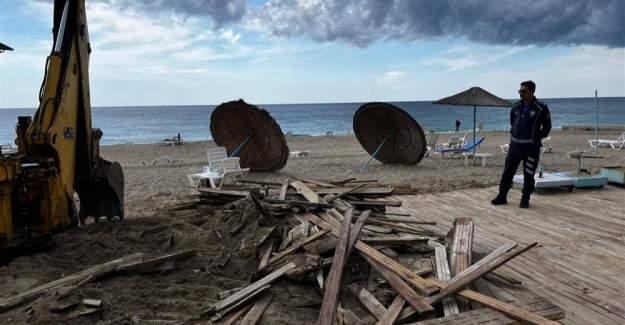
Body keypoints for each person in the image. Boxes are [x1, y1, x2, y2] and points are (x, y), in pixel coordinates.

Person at [491, 80, 551, 208]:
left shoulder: (541, 108)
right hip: (515, 146)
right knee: (507, 172)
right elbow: (513, 121)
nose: (520, 93)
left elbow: (547, 127)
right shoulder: (516, 106)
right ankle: (502, 196)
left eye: (523, 91)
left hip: (531, 147)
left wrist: (536, 137)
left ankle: (525, 199)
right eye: (519, 91)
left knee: (528, 174)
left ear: (532, 91)